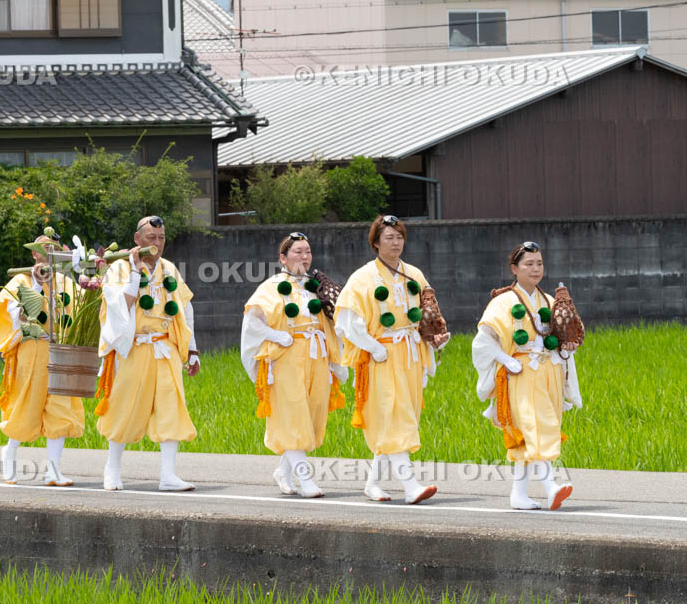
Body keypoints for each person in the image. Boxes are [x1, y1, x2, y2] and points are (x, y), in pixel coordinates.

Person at [334, 215, 449, 504]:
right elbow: (348, 320)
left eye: (399, 237)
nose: (396, 242)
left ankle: (373, 484)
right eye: (389, 237)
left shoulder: (414, 274)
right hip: (381, 356)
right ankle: (410, 485)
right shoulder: (362, 278)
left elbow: (428, 312)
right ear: (375, 242)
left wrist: (433, 339)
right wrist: (372, 347)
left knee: (399, 415)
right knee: (395, 415)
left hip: (410, 353)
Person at [472, 241, 582, 510]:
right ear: (514, 269)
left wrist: (569, 344)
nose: (535, 269)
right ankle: (550, 486)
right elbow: (482, 342)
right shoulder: (503, 302)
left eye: (539, 263)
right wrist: (506, 360)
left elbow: (566, 335)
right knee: (536, 424)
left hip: (550, 370)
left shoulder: (551, 301)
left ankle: (518, 495)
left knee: (535, 428)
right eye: (529, 264)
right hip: (521, 374)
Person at [95, 215, 200, 491]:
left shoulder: (169, 268)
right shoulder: (118, 268)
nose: (157, 243)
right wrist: (134, 272)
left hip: (165, 348)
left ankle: (168, 475)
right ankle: (112, 468)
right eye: (151, 238)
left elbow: (185, 307)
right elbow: (119, 306)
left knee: (171, 408)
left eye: (162, 237)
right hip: (134, 349)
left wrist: (192, 348)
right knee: (123, 408)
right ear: (137, 239)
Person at [241, 232, 348, 498]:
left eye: (308, 251)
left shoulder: (317, 286)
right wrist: (276, 335)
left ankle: (283, 471)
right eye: (298, 251)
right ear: (283, 258)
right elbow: (252, 320)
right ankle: (305, 479)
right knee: (292, 414)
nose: (304, 256)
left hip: (317, 355)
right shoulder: (271, 286)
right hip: (286, 356)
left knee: (311, 415)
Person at [0, 236, 84, 486]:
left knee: (60, 407)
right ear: (34, 255)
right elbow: (13, 313)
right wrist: (38, 287)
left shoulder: (65, 282)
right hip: (33, 348)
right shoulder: (21, 279)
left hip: (59, 348)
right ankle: (9, 451)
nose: (48, 254)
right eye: (44, 250)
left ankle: (53, 470)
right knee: (27, 404)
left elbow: (80, 312)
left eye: (53, 250)